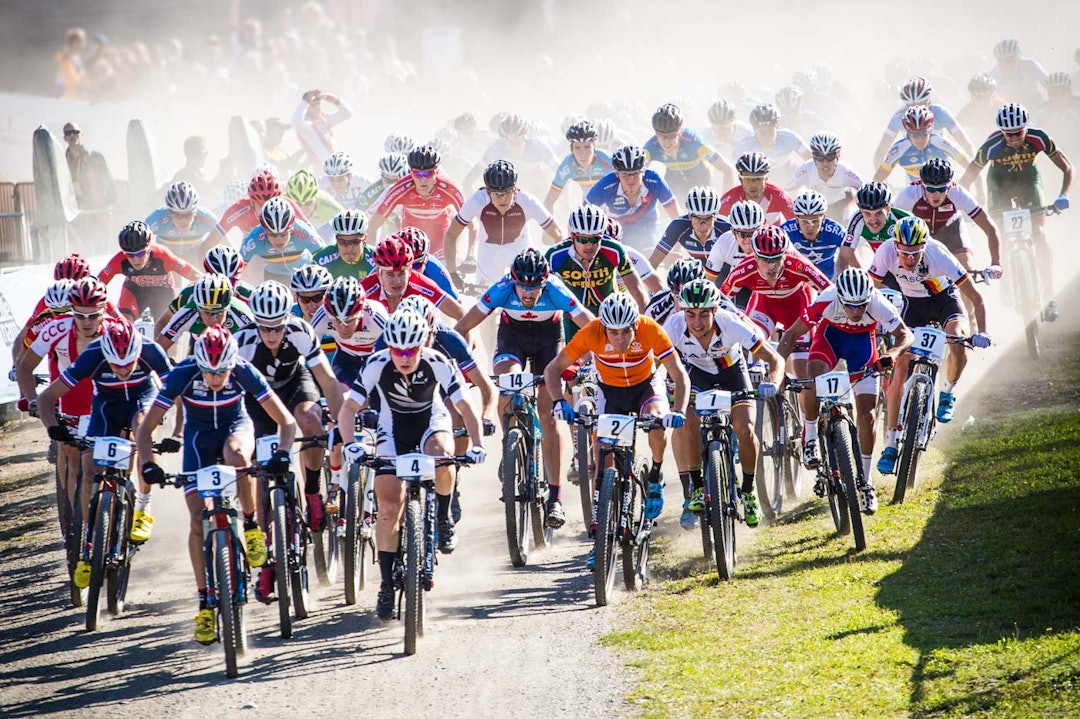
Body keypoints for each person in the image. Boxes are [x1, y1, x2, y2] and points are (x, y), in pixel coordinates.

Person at [137, 326, 296, 644]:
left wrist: (282, 454)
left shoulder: (242, 369)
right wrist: (148, 464)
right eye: (209, 371)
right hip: (198, 438)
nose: (215, 378)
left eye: (222, 371)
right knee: (197, 519)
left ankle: (251, 527)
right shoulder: (183, 373)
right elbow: (145, 430)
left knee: (237, 455)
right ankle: (205, 603)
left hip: (235, 426)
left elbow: (286, 421)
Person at [337, 309, 486, 619]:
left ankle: (443, 519)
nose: (403, 357)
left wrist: (478, 445)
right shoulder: (377, 364)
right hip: (393, 430)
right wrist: (351, 444)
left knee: (443, 456)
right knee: (388, 505)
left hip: (430, 422)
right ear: (388, 348)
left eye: (411, 350)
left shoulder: (438, 362)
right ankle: (387, 585)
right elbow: (349, 407)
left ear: (423, 345)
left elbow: (465, 408)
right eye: (397, 351)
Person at [544, 292, 690, 568]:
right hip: (609, 392)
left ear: (636, 326)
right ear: (604, 329)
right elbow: (553, 370)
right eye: (614, 333)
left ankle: (656, 477)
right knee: (603, 461)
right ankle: (599, 538)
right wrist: (559, 402)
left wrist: (679, 410)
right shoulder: (591, 333)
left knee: (656, 424)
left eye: (626, 332)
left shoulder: (650, 330)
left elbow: (679, 375)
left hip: (646, 386)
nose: (620, 340)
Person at [455, 248, 594, 525]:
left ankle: (555, 498)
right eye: (523, 287)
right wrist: (462, 362)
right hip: (512, 340)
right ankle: (511, 446)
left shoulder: (556, 289)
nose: (528, 295)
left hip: (548, 341)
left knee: (548, 413)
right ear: (513, 281)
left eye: (534, 288)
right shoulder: (502, 288)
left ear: (544, 283)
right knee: (509, 383)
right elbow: (462, 327)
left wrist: (590, 360)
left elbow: (591, 327)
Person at [234, 281, 344, 602]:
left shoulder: (300, 331)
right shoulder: (241, 341)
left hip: (295, 383)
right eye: (265, 328)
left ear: (287, 320)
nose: (271, 335)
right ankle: (268, 566)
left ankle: (311, 492)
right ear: (255, 322)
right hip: (258, 396)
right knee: (256, 464)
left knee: (312, 421)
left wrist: (338, 420)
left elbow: (328, 380)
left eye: (277, 327)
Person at [37, 320, 173, 568]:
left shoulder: (151, 350)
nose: (122, 371)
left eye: (129, 364)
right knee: (89, 473)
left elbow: (177, 390)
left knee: (143, 428)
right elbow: (46, 398)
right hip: (105, 407)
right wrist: (53, 428)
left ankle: (143, 507)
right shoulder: (93, 354)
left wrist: (178, 432)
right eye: (115, 365)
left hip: (141, 400)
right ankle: (90, 537)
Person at [777, 268, 913, 511]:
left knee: (867, 414)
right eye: (850, 306)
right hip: (829, 339)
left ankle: (866, 483)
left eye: (861, 306)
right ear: (840, 298)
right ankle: (810, 436)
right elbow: (790, 335)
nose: (856, 311)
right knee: (812, 379)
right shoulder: (826, 299)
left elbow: (905, 335)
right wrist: (776, 375)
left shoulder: (877, 301)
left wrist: (891, 355)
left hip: (862, 346)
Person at [869, 218, 991, 475]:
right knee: (901, 364)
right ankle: (891, 444)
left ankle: (947, 391)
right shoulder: (885, 252)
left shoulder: (939, 254)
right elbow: (871, 289)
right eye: (904, 253)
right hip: (911, 305)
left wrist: (982, 332)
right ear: (896, 246)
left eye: (915, 253)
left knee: (957, 340)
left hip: (943, 300)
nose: (909, 259)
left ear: (925, 246)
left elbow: (976, 298)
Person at [663, 279, 783, 530]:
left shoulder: (731, 324)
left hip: (732, 373)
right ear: (682, 312)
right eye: (690, 314)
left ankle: (749, 493)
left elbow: (775, 360)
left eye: (704, 315)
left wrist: (771, 382)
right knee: (687, 420)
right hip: (696, 375)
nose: (696, 323)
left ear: (715, 311)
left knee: (745, 428)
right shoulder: (672, 326)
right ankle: (697, 487)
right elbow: (654, 366)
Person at [959, 103, 1073, 321]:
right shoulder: (991, 145)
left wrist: (1063, 195)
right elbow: (967, 179)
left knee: (1039, 234)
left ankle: (1049, 295)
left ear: (1026, 128)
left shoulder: (1038, 138)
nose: (1013, 139)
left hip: (1029, 180)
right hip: (999, 184)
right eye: (1008, 134)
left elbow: (1068, 168)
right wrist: (965, 206)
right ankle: (1007, 277)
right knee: (1001, 232)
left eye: (1018, 133)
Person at [893, 158, 1003, 306]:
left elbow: (990, 227)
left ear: (950, 186)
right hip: (921, 235)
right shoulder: (909, 194)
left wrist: (996, 263)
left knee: (965, 271)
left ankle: (971, 320)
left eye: (942, 189)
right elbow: (889, 226)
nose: (936, 194)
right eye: (931, 189)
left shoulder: (958, 193)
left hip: (951, 231)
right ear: (922, 185)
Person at [443, 159, 562, 285]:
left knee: (527, 289)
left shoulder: (527, 201)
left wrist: (554, 269)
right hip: (489, 251)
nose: (503, 198)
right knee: (485, 297)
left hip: (520, 248)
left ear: (514, 189)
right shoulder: (477, 201)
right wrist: (452, 273)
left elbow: (557, 234)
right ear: (488, 192)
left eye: (507, 192)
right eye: (497, 194)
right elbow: (451, 235)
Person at [545, 204, 649, 341]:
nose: (589, 245)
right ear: (573, 236)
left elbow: (639, 293)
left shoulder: (614, 250)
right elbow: (543, 293)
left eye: (595, 239)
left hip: (612, 313)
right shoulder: (555, 255)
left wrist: (643, 329)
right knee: (576, 360)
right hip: (575, 316)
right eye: (583, 239)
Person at [367, 145, 466, 260]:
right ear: (411, 173)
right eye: (418, 174)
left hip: (440, 244)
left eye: (428, 174)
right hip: (410, 243)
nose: (423, 179)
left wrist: (461, 253)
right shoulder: (399, 188)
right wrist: (371, 259)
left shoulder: (449, 187)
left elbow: (465, 221)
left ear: (436, 173)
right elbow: (373, 223)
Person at [97, 220, 201, 320]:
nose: (135, 259)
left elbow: (195, 275)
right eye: (130, 255)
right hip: (134, 290)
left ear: (149, 249)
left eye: (140, 253)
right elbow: (96, 285)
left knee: (166, 328)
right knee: (124, 325)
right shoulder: (119, 260)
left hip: (162, 292)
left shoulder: (163, 256)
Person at [585, 144, 679, 254]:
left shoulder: (654, 180)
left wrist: (677, 249)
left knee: (651, 256)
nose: (631, 180)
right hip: (616, 229)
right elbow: (580, 217)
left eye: (635, 173)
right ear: (616, 174)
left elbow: (677, 217)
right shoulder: (605, 186)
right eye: (625, 174)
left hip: (648, 227)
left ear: (643, 171)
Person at [871, 76, 975, 167]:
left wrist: (973, 175)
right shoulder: (898, 117)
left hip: (942, 164)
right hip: (913, 167)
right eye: (910, 107)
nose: (916, 110)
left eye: (921, 105)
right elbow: (880, 153)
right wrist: (884, 183)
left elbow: (966, 145)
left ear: (929, 101)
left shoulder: (941, 113)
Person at [643, 103, 734, 201]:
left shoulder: (695, 142)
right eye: (661, 136)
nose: (666, 142)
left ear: (680, 132)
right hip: (676, 188)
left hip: (702, 187)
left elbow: (727, 170)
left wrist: (726, 203)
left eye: (672, 136)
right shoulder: (651, 146)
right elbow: (635, 174)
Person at [361, 235, 466, 319]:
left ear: (410, 271)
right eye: (390, 274)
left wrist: (465, 343)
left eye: (401, 273)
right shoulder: (366, 288)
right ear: (379, 273)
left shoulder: (420, 283)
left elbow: (461, 313)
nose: (397, 281)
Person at [156, 273, 255, 353]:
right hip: (199, 346)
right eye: (207, 313)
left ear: (228, 308)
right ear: (197, 309)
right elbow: (159, 348)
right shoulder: (188, 313)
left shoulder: (242, 314)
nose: (214, 319)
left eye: (219, 313)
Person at [874, 105, 968, 185]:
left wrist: (975, 189)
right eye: (914, 135)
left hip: (945, 191)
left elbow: (972, 167)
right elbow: (877, 180)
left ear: (931, 130)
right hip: (916, 195)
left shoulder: (941, 143)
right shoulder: (899, 149)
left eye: (924, 134)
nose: (920, 139)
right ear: (907, 133)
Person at [238, 196, 324, 283]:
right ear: (264, 231)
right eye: (272, 235)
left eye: (284, 234)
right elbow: (235, 268)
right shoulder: (255, 239)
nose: (279, 240)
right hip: (274, 276)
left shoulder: (303, 232)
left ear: (292, 229)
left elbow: (325, 257)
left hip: (305, 272)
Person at [835, 182, 912, 275]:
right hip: (884, 268)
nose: (873, 220)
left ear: (888, 209)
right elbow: (843, 257)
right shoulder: (857, 219)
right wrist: (839, 277)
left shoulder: (904, 221)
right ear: (861, 212)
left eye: (879, 213)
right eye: (867, 214)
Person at [785, 132, 863, 223]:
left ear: (838, 155)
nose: (825, 163)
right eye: (820, 158)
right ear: (813, 156)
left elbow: (866, 193)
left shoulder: (846, 173)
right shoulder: (805, 170)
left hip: (841, 205)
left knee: (849, 217)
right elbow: (786, 193)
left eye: (830, 157)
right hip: (814, 208)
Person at [649, 186, 732, 269]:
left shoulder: (727, 228)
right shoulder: (678, 226)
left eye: (708, 218)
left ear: (716, 216)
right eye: (697, 218)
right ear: (689, 215)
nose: (703, 225)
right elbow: (652, 263)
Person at [704, 200, 764, 310]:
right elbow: (709, 283)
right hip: (736, 285)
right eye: (743, 234)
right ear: (733, 231)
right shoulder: (724, 243)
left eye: (753, 233)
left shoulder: (774, 241)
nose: (749, 239)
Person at [732, 103, 811, 186]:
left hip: (788, 173)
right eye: (762, 131)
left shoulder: (789, 137)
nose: (766, 135)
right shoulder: (744, 145)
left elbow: (809, 157)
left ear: (776, 127)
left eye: (770, 130)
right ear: (754, 129)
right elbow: (733, 171)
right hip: (758, 179)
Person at [144, 181, 221, 265]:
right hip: (167, 256)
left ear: (195, 212)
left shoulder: (205, 217)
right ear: (170, 213)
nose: (183, 221)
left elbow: (225, 239)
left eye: (188, 215)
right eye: (178, 215)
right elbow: (138, 244)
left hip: (195, 254)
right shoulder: (157, 218)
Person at [544, 120, 614, 211]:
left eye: (587, 147)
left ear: (594, 146)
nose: (583, 154)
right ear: (571, 149)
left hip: (613, 204)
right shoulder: (568, 166)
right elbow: (549, 201)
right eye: (577, 148)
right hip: (589, 206)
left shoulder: (609, 160)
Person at [781, 190, 846, 279]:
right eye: (804, 221)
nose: (810, 226)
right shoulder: (785, 232)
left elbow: (853, 262)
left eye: (815, 220)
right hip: (798, 278)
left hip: (828, 278)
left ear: (823, 218)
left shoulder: (836, 231)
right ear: (796, 219)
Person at [718, 152, 796, 226]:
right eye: (748, 179)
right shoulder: (730, 198)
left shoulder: (780, 196)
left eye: (758, 179)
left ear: (766, 179)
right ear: (740, 179)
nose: (753, 184)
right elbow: (716, 226)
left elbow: (798, 224)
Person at [291, 89, 353, 169]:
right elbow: (295, 121)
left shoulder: (324, 120)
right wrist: (305, 101)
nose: (316, 107)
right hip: (323, 170)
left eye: (318, 104)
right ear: (306, 107)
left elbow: (347, 113)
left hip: (337, 167)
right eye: (312, 105)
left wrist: (336, 101)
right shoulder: (305, 127)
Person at [63, 122, 116, 213]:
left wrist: (110, 203)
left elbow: (108, 181)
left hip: (97, 209)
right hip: (76, 212)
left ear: (81, 135)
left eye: (75, 132)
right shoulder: (62, 162)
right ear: (65, 138)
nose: (72, 135)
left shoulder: (95, 157)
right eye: (68, 133)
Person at [312, 209, 375, 280]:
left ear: (365, 238)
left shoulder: (376, 259)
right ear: (336, 239)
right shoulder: (321, 259)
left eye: (355, 242)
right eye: (343, 242)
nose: (349, 248)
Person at [285, 168, 345, 240]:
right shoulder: (284, 203)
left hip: (322, 228)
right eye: (298, 204)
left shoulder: (326, 203)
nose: (303, 208)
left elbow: (348, 219)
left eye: (308, 203)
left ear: (316, 197)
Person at [989, 38, 1049, 110]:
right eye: (1003, 62)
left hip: (1036, 108)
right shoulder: (993, 74)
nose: (1008, 66)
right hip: (1011, 113)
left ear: (1018, 58)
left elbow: (1050, 85)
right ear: (998, 62)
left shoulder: (1030, 65)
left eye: (1011, 61)